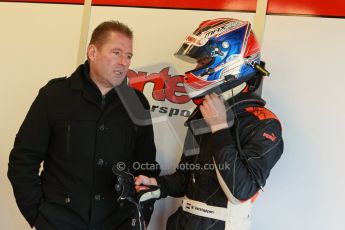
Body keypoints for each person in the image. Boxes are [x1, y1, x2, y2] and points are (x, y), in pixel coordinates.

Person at [8, 20, 160, 230]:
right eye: (116, 52)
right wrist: (38, 215)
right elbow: (23, 160)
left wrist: (140, 215)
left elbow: (146, 165)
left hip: (118, 223)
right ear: (92, 52)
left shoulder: (136, 103)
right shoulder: (54, 96)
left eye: (128, 56)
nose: (124, 62)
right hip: (59, 222)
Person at [135, 18, 284, 230]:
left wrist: (220, 128)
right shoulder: (203, 112)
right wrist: (158, 186)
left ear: (229, 62)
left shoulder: (264, 123)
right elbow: (185, 177)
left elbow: (240, 191)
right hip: (183, 222)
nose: (196, 68)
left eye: (203, 63)